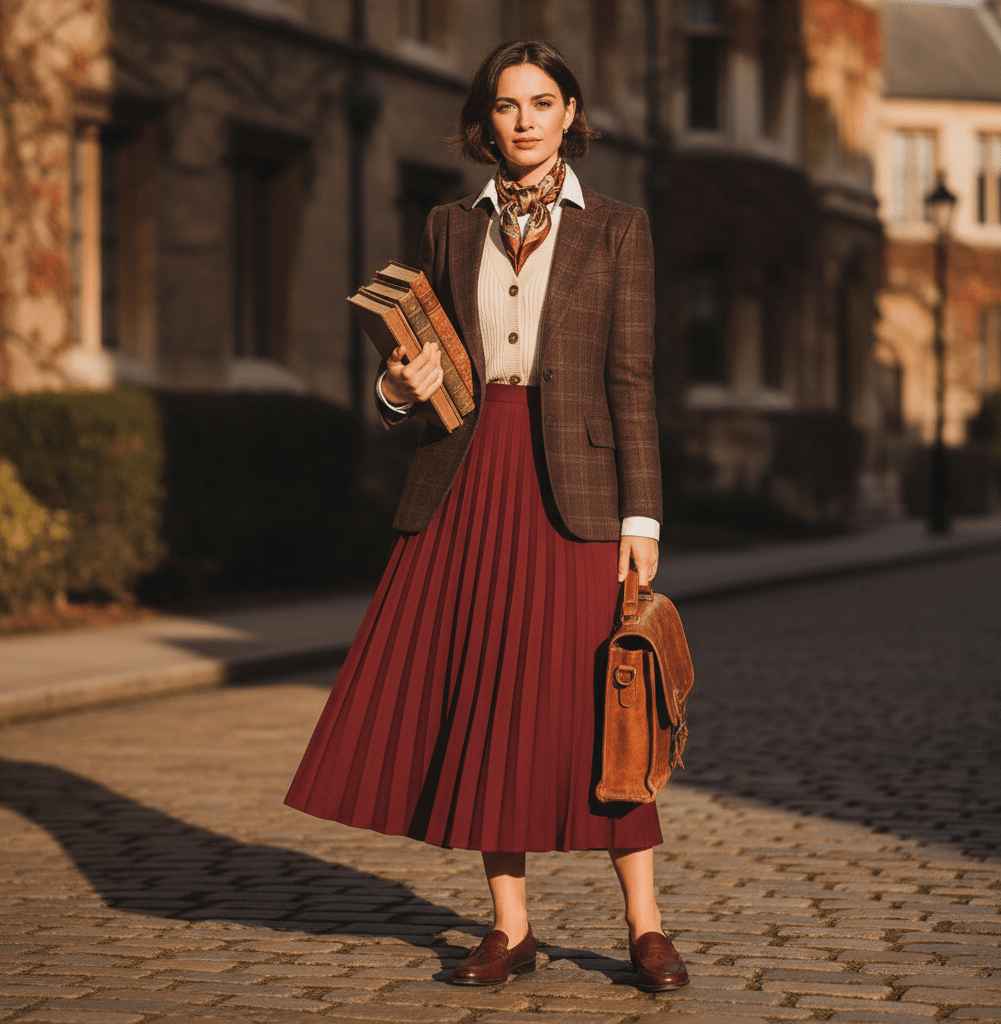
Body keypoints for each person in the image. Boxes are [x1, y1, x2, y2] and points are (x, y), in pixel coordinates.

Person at [285, 39, 687, 992]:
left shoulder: (621, 228)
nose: (524, 120)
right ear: (488, 121)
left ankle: (646, 924)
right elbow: (424, 375)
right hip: (468, 480)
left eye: (542, 102)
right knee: (486, 695)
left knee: (602, 705)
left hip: (577, 493)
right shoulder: (448, 227)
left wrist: (644, 520)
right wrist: (395, 386)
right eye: (507, 106)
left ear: (571, 112)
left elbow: (633, 382)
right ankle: (510, 928)